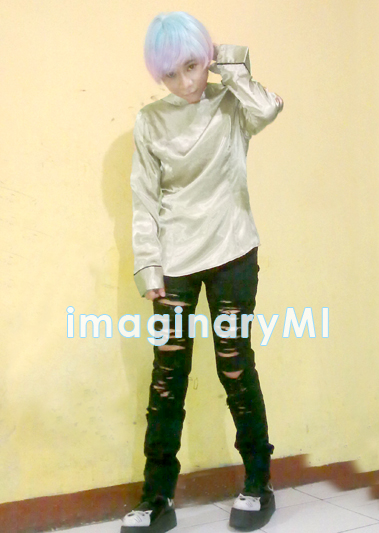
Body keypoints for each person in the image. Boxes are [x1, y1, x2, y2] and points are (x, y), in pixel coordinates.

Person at [121, 11, 283, 533]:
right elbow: (144, 200)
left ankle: (258, 483)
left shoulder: (231, 103)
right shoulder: (150, 121)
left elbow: (269, 107)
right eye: (170, 74)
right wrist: (149, 267)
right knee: (167, 377)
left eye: (192, 66)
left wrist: (225, 61)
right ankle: (156, 499)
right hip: (174, 262)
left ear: (205, 59)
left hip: (233, 250)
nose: (185, 83)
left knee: (235, 366)